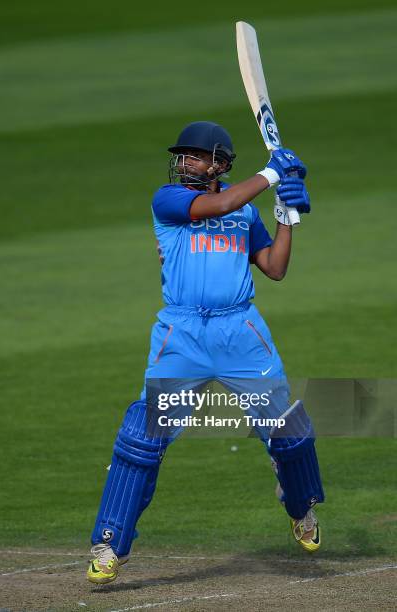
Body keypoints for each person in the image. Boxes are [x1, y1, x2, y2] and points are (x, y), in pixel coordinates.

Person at [87, 121, 324, 584]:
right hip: (184, 335)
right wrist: (273, 174)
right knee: (141, 438)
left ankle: (300, 509)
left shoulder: (246, 212)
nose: (185, 163)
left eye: (195, 157)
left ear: (220, 163)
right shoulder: (169, 200)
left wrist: (284, 216)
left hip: (240, 331)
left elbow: (274, 268)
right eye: (183, 156)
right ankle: (108, 544)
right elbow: (223, 202)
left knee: (291, 433)